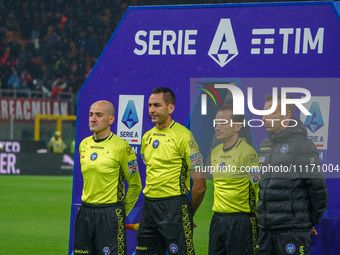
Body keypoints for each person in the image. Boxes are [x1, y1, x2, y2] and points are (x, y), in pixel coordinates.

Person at [136, 87, 206, 255]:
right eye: (150, 105)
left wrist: (188, 213)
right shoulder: (147, 137)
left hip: (174, 207)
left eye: (157, 105)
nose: (152, 110)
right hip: (149, 207)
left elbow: (200, 186)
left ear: (171, 108)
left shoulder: (184, 136)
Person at [256, 94, 328, 255]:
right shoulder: (264, 145)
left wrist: (308, 223)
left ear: (286, 115)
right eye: (263, 112)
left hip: (292, 233)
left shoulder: (302, 146)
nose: (263, 117)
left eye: (269, 113)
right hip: (265, 231)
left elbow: (318, 190)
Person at [74, 100, 142, 255]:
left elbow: (135, 185)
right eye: (91, 114)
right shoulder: (84, 144)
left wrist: (120, 213)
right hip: (85, 212)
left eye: (98, 115)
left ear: (111, 120)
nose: (93, 119)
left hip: (110, 213)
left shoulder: (122, 147)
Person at [208, 106, 259, 255]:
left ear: (237, 126)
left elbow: (258, 188)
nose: (217, 128)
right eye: (216, 123)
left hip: (241, 221)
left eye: (222, 123)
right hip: (217, 220)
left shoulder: (248, 153)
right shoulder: (215, 153)